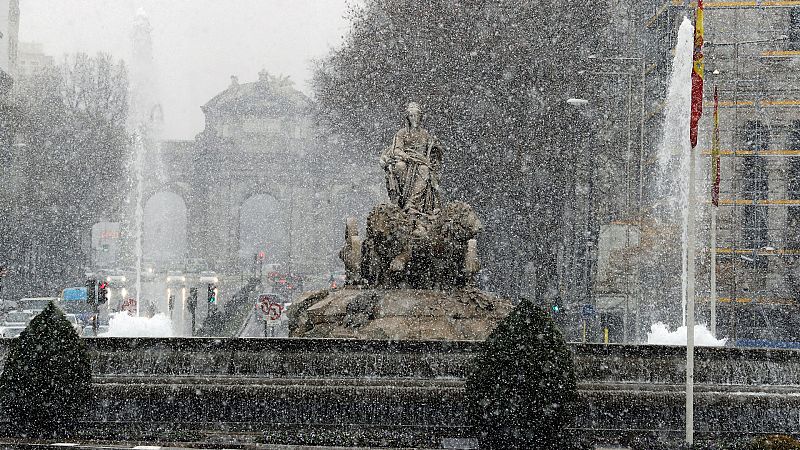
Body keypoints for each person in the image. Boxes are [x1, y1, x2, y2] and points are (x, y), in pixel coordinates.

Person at [380, 102, 443, 216]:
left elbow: (433, 150)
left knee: (424, 170)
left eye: (417, 115)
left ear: (420, 117)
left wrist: (436, 147)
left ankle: (412, 203)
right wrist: (407, 157)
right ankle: (402, 200)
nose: (415, 118)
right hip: (406, 160)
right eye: (412, 116)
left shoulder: (425, 134)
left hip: (421, 162)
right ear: (408, 118)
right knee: (400, 166)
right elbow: (396, 149)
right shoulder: (402, 133)